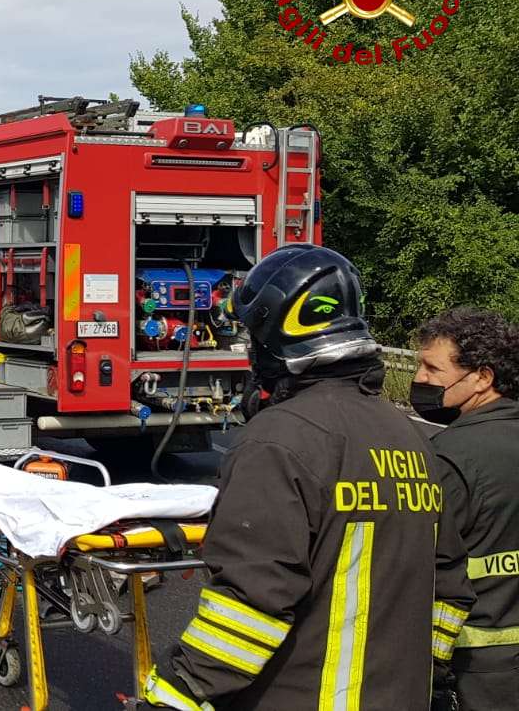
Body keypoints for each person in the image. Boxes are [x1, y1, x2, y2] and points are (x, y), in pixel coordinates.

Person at [138, 244, 473, 710]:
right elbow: (449, 588)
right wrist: (428, 678)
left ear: (275, 337)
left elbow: (251, 602)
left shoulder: (278, 440)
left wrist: (177, 692)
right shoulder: (409, 438)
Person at [414, 308, 519, 708]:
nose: (420, 378)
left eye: (431, 367)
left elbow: (426, 570)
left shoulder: (448, 458)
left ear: (482, 377)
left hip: (477, 669)